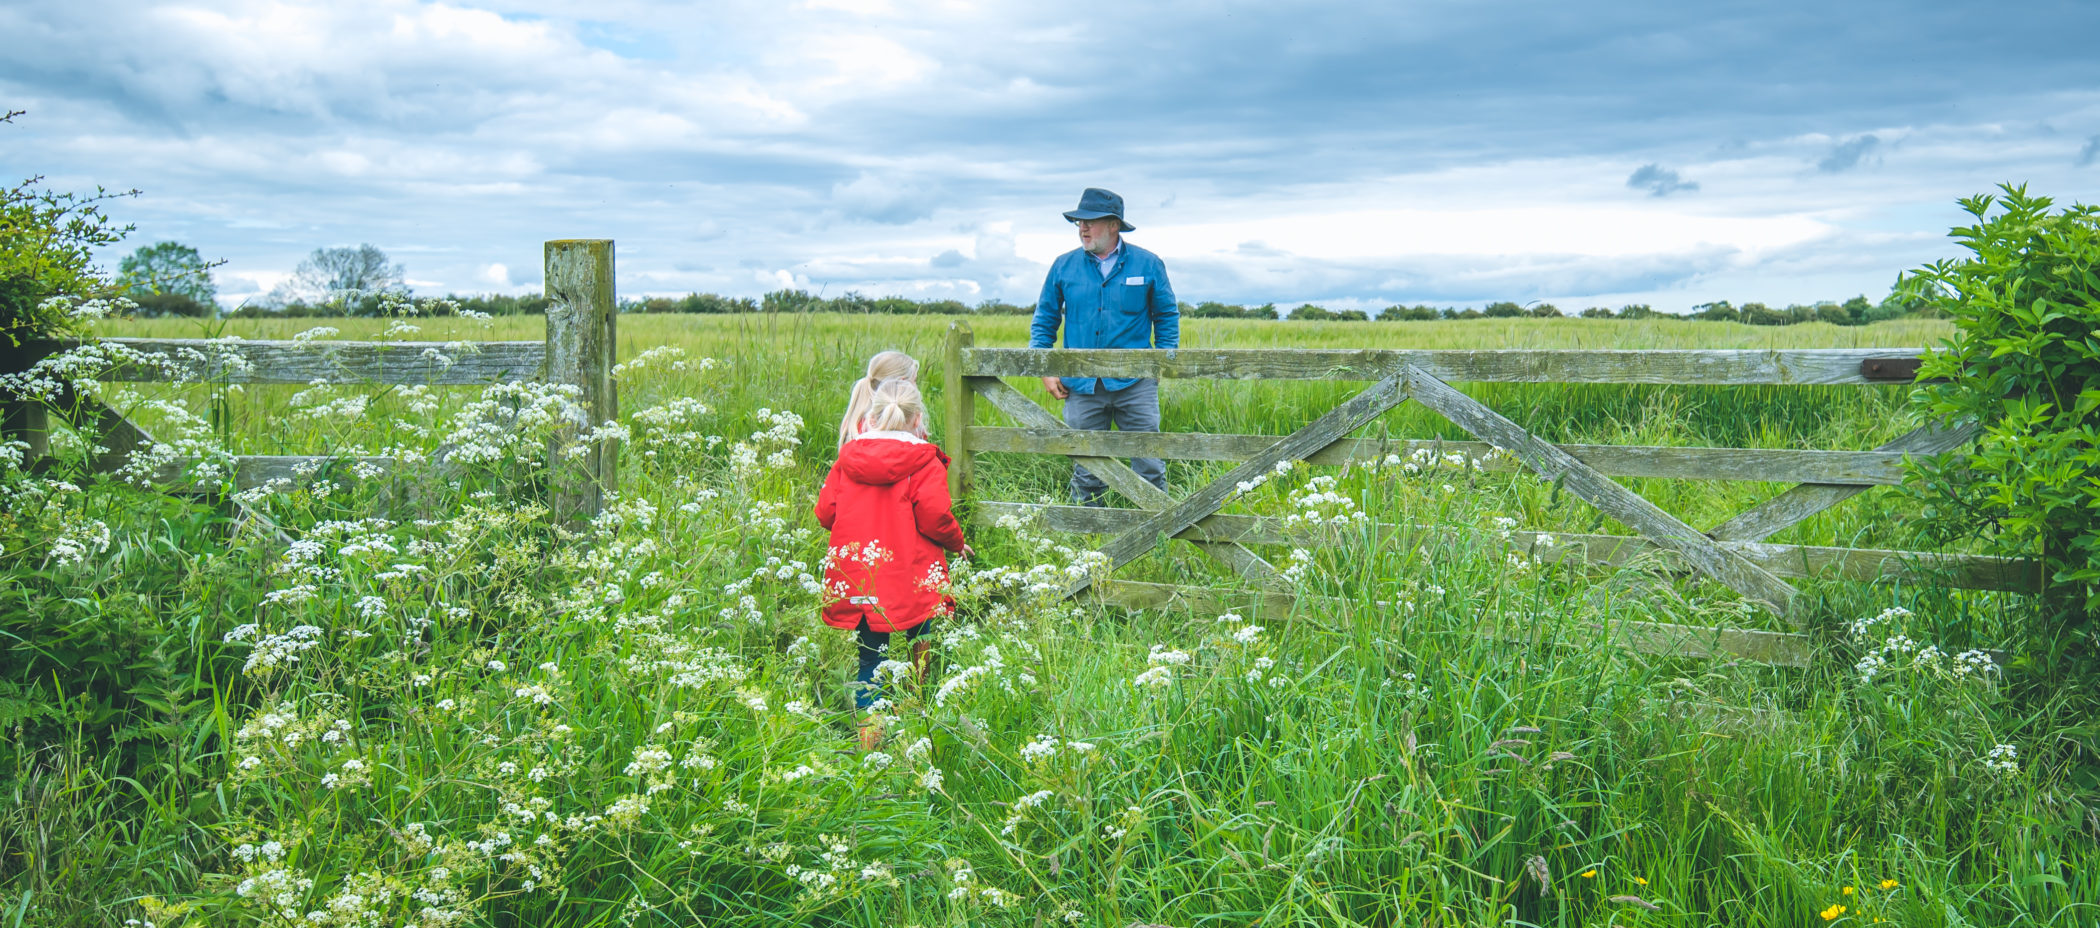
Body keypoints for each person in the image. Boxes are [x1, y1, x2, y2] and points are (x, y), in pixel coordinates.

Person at [813, 379, 968, 750]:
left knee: (871, 660)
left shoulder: (848, 458)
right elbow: (933, 516)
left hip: (864, 576)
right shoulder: (923, 461)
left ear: (871, 415)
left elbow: (824, 513)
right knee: (922, 647)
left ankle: (871, 743)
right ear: (918, 419)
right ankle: (918, 720)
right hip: (912, 576)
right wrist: (957, 542)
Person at [1029, 187, 1179, 505]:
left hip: (1136, 382)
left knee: (1148, 462)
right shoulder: (1063, 266)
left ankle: (1157, 537)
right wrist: (1045, 367)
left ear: (1114, 225)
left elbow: (1166, 315)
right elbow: (1044, 320)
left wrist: (1162, 363)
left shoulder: (1148, 264)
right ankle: (1090, 541)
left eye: (1090, 221)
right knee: (1087, 468)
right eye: (1078, 222)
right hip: (1081, 385)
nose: (1082, 228)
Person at [837, 350, 923, 448]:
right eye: (915, 380)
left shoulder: (854, 423)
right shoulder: (910, 422)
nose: (916, 386)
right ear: (901, 383)